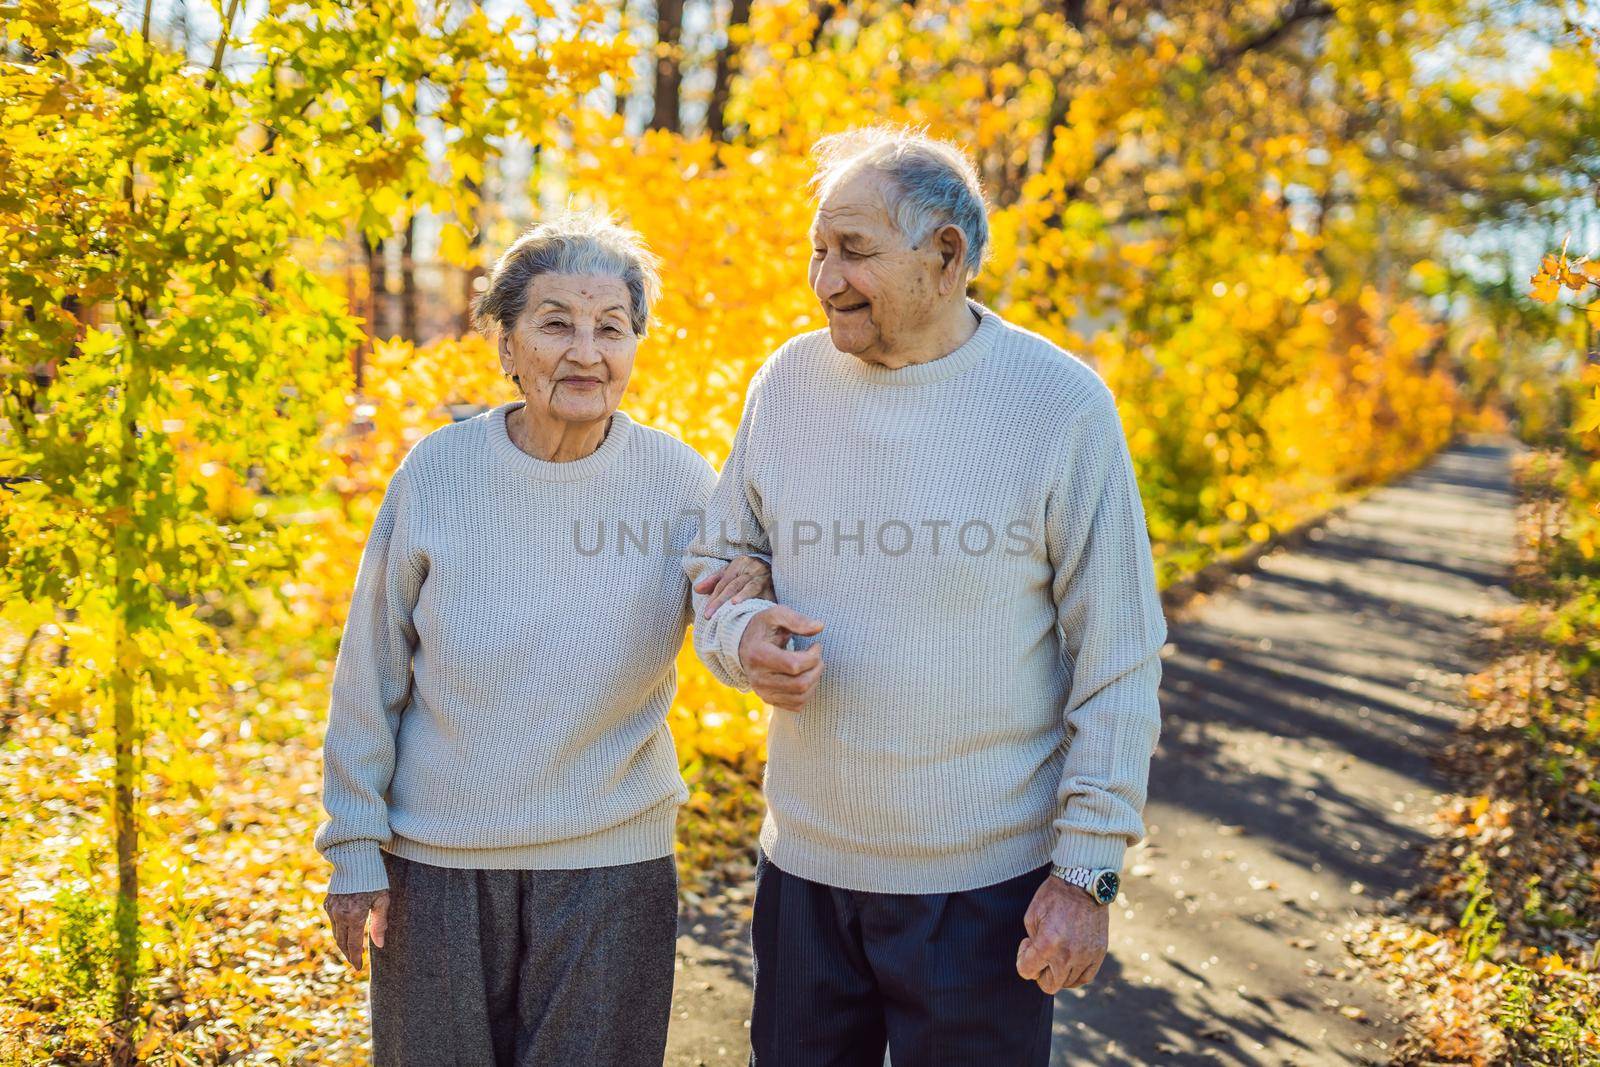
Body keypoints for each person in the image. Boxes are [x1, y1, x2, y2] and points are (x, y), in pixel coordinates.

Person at [684, 125, 1168, 1065]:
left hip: (984, 893)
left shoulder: (1059, 405)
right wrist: (739, 635)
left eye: (854, 251)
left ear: (947, 255)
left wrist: (1087, 873)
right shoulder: (786, 383)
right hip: (805, 876)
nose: (823, 279)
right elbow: (719, 561)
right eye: (817, 250)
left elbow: (1118, 652)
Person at [314, 210, 772, 1067]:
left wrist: (759, 636)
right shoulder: (439, 472)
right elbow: (369, 671)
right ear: (507, 346)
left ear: (636, 347)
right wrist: (352, 845)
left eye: (612, 328)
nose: (586, 353)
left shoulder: (679, 481)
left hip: (612, 866)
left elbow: (725, 623)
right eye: (556, 323)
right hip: (436, 866)